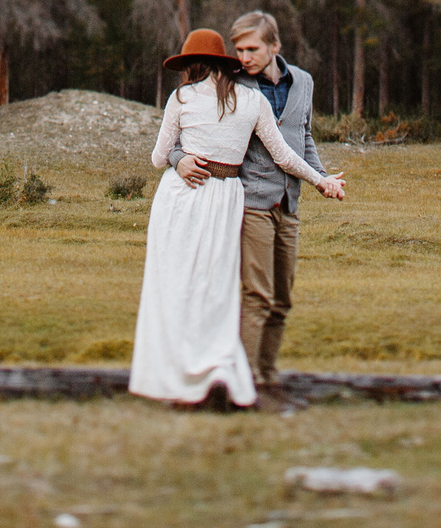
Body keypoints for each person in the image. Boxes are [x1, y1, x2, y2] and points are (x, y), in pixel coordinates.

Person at [129, 28, 343, 409]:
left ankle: (180, 375)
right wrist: (320, 180)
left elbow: (157, 157)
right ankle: (216, 373)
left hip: (182, 198)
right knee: (218, 292)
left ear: (191, 66)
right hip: (227, 198)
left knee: (177, 287)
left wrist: (179, 159)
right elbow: (285, 156)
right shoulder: (252, 100)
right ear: (226, 62)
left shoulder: (181, 98)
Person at [164, 11, 327, 385]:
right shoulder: (230, 83)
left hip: (289, 202)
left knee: (282, 298)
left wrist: (322, 179)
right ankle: (244, 378)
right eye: (239, 49)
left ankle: (268, 375)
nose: (244, 57)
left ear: (275, 47)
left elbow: (304, 139)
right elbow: (182, 135)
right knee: (257, 293)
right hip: (251, 201)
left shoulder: (302, 82)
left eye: (252, 49)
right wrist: (179, 158)